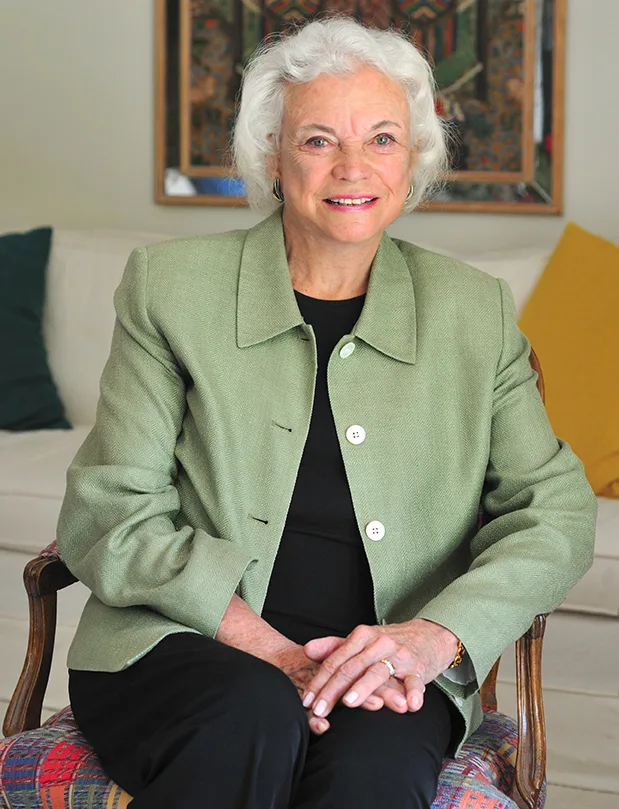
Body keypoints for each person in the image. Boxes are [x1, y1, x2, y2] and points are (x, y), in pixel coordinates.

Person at [57, 16, 597, 809]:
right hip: (184, 644)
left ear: (411, 159)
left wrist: (428, 638)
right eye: (317, 140)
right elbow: (110, 511)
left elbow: (553, 512)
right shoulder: (170, 288)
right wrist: (275, 652)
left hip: (388, 670)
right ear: (272, 155)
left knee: (372, 777)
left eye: (382, 138)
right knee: (250, 716)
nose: (353, 166)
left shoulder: (471, 312)